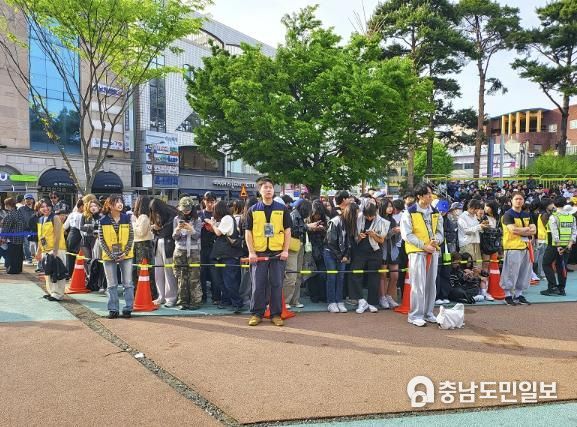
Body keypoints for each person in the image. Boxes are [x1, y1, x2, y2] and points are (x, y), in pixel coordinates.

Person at [245, 177, 292, 327]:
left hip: (277, 253)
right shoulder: (253, 210)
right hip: (259, 253)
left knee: (277, 284)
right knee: (258, 284)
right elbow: (248, 232)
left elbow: (288, 231)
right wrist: (251, 252)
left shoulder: (282, 209)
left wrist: (285, 250)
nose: (268, 189)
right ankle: (257, 314)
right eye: (265, 187)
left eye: (270, 187)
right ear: (260, 191)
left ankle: (276, 314)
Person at [400, 183, 444, 327]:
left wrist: (436, 241)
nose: (431, 196)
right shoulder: (409, 212)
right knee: (418, 285)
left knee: (431, 284)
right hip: (417, 252)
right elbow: (407, 235)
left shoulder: (435, 212)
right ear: (419, 196)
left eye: (431, 194)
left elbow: (440, 232)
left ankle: (428, 313)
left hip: (433, 251)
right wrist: (424, 245)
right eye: (428, 194)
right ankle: (415, 315)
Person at [349, 198, 389, 314]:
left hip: (375, 251)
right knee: (355, 273)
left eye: (371, 216)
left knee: (374, 276)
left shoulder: (382, 221)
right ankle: (361, 300)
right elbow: (353, 237)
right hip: (360, 250)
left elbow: (381, 240)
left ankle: (372, 302)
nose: (369, 218)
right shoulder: (358, 218)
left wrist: (374, 235)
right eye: (367, 216)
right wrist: (359, 237)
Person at [98, 195, 134, 319]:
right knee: (111, 284)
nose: (120, 204)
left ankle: (128, 308)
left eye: (121, 202)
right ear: (109, 205)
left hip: (126, 255)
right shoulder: (103, 220)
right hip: (109, 256)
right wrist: (111, 254)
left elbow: (131, 237)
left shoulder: (127, 218)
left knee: (128, 283)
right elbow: (101, 240)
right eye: (116, 202)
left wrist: (125, 252)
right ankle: (113, 309)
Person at [207, 200, 245, 313]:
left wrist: (212, 224)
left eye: (215, 209)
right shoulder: (226, 219)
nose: (213, 212)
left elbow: (219, 232)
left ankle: (237, 303)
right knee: (223, 281)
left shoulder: (227, 218)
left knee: (229, 281)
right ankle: (227, 300)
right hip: (225, 255)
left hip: (229, 255)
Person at [500, 191, 536, 305]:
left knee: (524, 272)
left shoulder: (527, 214)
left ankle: (518, 295)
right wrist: (527, 230)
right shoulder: (507, 215)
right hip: (512, 247)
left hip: (526, 247)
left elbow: (534, 230)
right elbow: (513, 230)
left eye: (521, 199)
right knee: (511, 272)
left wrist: (523, 231)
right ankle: (507, 295)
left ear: (524, 200)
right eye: (516, 199)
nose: (519, 201)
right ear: (511, 200)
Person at [324, 201, 356, 313]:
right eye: (355, 214)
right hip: (330, 253)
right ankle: (331, 302)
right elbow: (330, 242)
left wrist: (346, 255)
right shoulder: (335, 221)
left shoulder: (349, 223)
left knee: (341, 277)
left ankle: (339, 300)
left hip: (341, 254)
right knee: (332, 277)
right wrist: (341, 256)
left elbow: (349, 242)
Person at [541, 198, 577, 296]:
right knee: (562, 267)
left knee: (546, 264)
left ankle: (552, 287)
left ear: (554, 204)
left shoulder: (554, 217)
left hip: (554, 245)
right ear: (565, 204)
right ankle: (561, 289)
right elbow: (574, 232)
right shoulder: (571, 217)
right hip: (567, 246)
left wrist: (558, 245)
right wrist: (570, 244)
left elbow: (554, 232)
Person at [172, 196, 202, 310]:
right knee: (181, 277)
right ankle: (182, 301)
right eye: (183, 210)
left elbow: (197, 236)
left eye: (188, 209)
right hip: (180, 251)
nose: (185, 212)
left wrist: (191, 228)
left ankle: (195, 301)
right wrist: (177, 230)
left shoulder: (197, 220)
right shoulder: (176, 219)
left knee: (194, 277)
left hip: (193, 252)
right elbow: (174, 237)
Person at [283, 198, 312, 309]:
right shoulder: (294, 215)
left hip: (299, 246)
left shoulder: (297, 215)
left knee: (298, 274)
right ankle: (286, 301)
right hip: (292, 247)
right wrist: (308, 227)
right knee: (291, 275)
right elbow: (294, 230)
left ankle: (294, 300)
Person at [149, 198, 178, 307]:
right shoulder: (164, 213)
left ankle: (171, 298)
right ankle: (161, 296)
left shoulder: (172, 214)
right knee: (159, 272)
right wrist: (155, 228)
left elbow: (169, 231)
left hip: (168, 244)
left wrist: (157, 228)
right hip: (158, 243)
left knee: (169, 272)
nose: (154, 213)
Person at [36, 199, 67, 300]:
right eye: (42, 207)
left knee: (58, 272)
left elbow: (58, 235)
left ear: (51, 207)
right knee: (48, 272)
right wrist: (38, 251)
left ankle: (58, 294)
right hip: (45, 250)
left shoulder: (55, 217)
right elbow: (41, 237)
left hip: (57, 249)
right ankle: (51, 292)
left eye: (47, 206)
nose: (45, 208)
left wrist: (55, 250)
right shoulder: (40, 219)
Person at [131, 196, 156, 298]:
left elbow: (141, 232)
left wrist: (133, 225)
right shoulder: (143, 216)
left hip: (142, 245)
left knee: (142, 270)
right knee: (141, 270)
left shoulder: (143, 217)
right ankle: (145, 293)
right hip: (142, 244)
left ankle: (145, 294)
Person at [304, 200, 329, 303]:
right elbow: (302, 232)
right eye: (315, 214)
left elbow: (330, 235)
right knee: (312, 274)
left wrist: (323, 230)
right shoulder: (306, 221)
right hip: (310, 250)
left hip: (323, 249)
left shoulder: (327, 220)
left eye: (319, 215)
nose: (317, 217)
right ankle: (314, 296)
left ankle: (323, 295)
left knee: (323, 274)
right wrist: (311, 229)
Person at [378, 198, 401, 309]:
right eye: (388, 206)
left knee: (395, 275)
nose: (390, 208)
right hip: (382, 250)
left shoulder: (393, 220)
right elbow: (382, 237)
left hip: (393, 250)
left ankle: (389, 296)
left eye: (391, 206)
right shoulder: (378, 220)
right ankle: (382, 297)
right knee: (382, 275)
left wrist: (398, 232)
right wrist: (392, 231)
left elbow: (397, 239)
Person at [80, 198, 105, 292]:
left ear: (99, 207)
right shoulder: (85, 215)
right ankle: (89, 279)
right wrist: (92, 228)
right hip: (85, 240)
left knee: (97, 262)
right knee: (88, 261)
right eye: (91, 206)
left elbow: (101, 229)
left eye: (95, 206)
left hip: (97, 240)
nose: (93, 208)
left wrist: (89, 227)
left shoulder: (102, 216)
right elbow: (81, 227)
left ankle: (99, 283)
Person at [199, 192, 218, 303]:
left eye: (212, 201)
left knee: (215, 273)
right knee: (202, 272)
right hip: (202, 247)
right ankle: (203, 296)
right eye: (208, 201)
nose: (210, 204)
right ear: (204, 201)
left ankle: (216, 297)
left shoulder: (217, 213)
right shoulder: (200, 214)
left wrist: (214, 226)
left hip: (214, 247)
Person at [458, 199, 487, 268]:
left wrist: (483, 227)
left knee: (478, 265)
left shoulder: (474, 216)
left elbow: (477, 229)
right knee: (469, 265)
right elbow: (466, 231)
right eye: (475, 209)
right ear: (470, 207)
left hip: (476, 242)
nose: (476, 211)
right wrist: (479, 226)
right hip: (467, 243)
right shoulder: (462, 217)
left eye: (477, 209)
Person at [2, 197, 26, 274]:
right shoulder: (19, 213)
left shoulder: (10, 215)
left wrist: (3, 238)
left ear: (8, 205)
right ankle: (18, 269)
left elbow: (6, 228)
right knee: (18, 254)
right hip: (20, 237)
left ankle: (11, 270)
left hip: (12, 238)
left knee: (11, 255)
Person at [64, 199, 84, 274]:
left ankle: (69, 272)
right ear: (81, 207)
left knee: (69, 255)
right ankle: (75, 274)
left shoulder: (71, 214)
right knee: (77, 255)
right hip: (78, 236)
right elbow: (81, 228)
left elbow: (65, 226)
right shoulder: (81, 216)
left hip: (70, 236)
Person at [18, 194, 36, 264]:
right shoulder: (21, 209)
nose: (28, 200)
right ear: (24, 200)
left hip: (34, 229)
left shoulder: (35, 208)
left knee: (36, 244)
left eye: (30, 199)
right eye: (27, 199)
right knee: (25, 244)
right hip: (24, 229)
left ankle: (38, 258)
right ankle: (29, 258)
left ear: (33, 200)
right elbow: (18, 219)